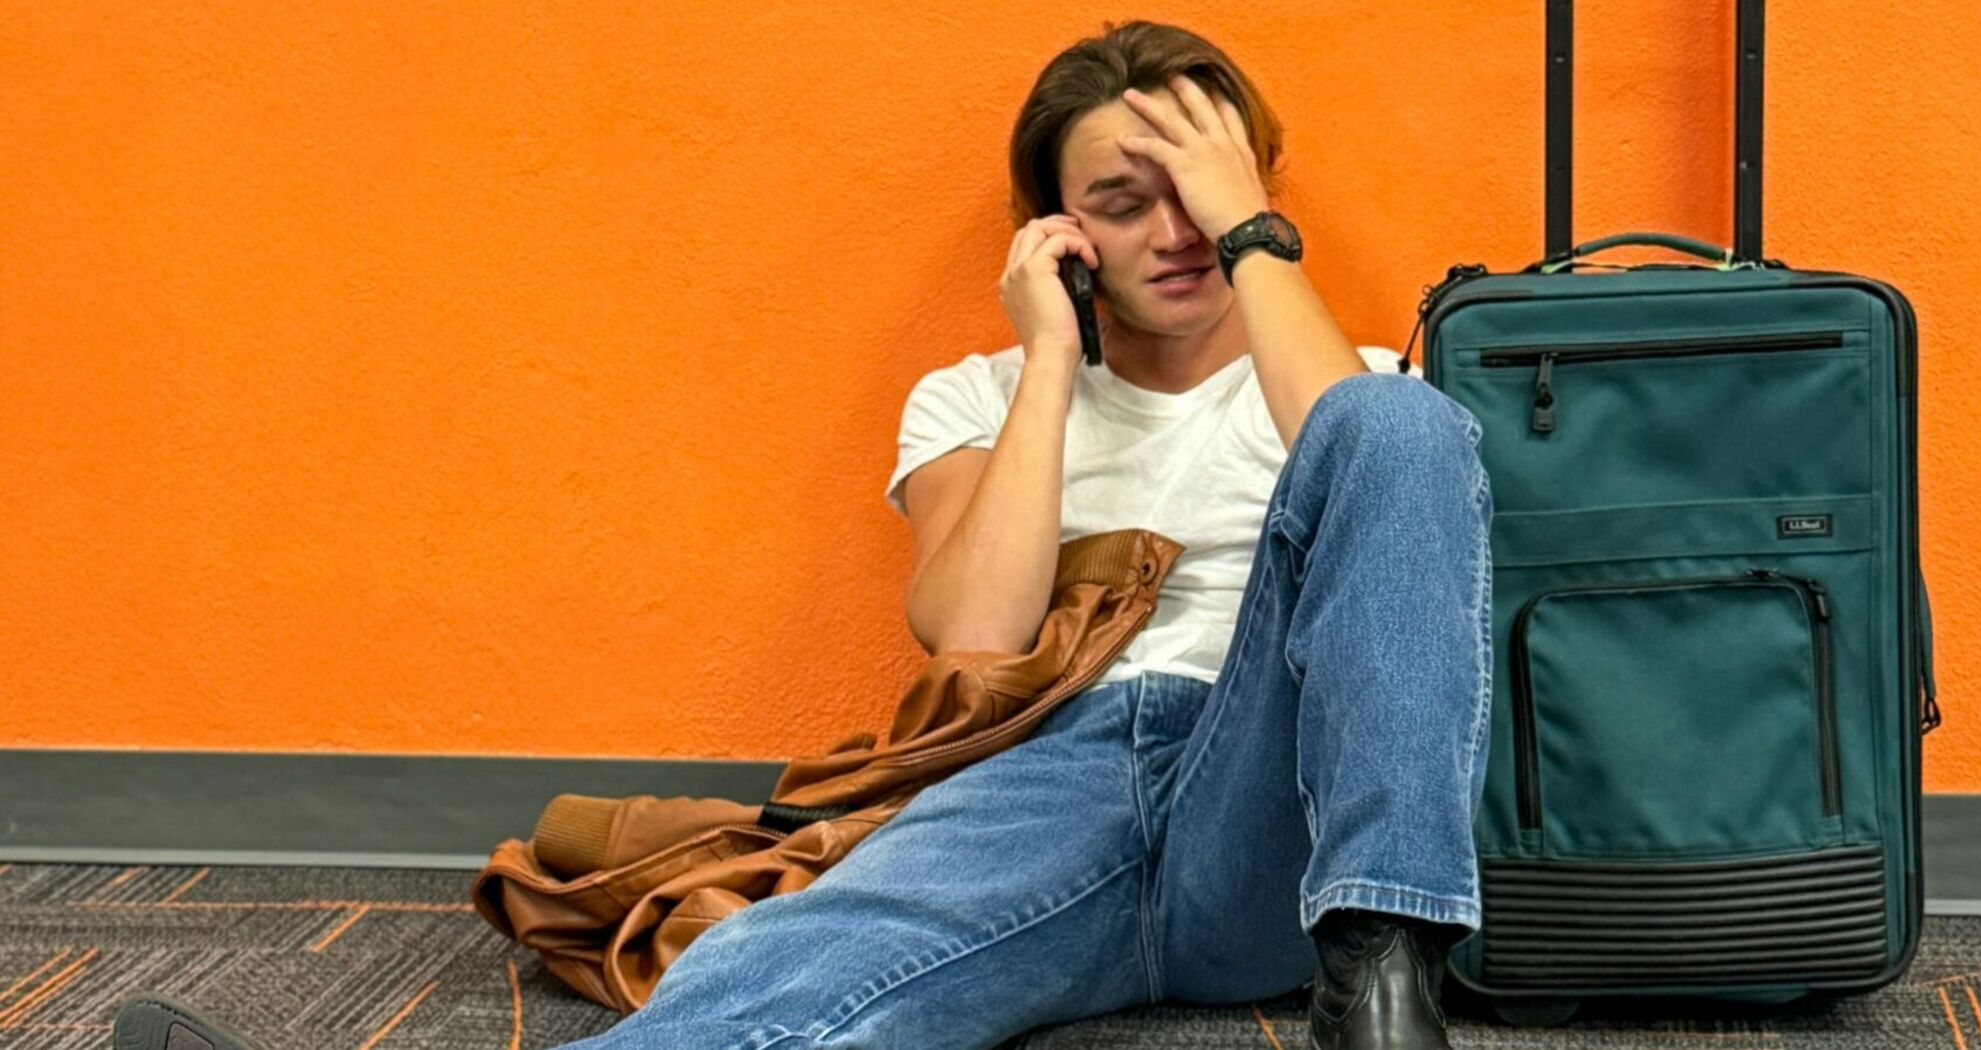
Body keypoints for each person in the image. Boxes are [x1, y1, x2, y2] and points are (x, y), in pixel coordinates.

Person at [112, 18, 1492, 1050]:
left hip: (1281, 814)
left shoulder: (1345, 371)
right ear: (1057, 233)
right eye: (1121, 204)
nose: (1173, 233)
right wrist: (1052, 368)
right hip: (1059, 784)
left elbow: (1361, 451)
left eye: (1197, 191)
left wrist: (1252, 231)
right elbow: (974, 634)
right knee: (811, 967)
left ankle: (1383, 983)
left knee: (1404, 427)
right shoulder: (983, 395)